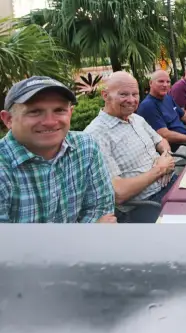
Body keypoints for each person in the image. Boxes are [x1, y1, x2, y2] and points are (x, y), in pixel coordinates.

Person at [0, 76, 116, 223]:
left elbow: (100, 208)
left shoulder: (86, 147)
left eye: (59, 110)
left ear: (70, 113)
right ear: (8, 119)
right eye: (35, 111)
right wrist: (82, 240)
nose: (50, 122)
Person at [84, 72, 178, 223]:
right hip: (147, 205)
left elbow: (161, 141)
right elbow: (119, 193)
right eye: (123, 94)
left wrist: (165, 157)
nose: (132, 100)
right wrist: (159, 170)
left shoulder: (137, 119)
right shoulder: (95, 135)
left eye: (135, 94)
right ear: (105, 95)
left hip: (171, 183)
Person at [137, 70, 186, 148]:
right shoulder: (148, 106)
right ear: (151, 83)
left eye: (168, 82)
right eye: (161, 81)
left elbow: (185, 116)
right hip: (180, 149)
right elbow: (165, 135)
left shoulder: (167, 98)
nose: (165, 85)